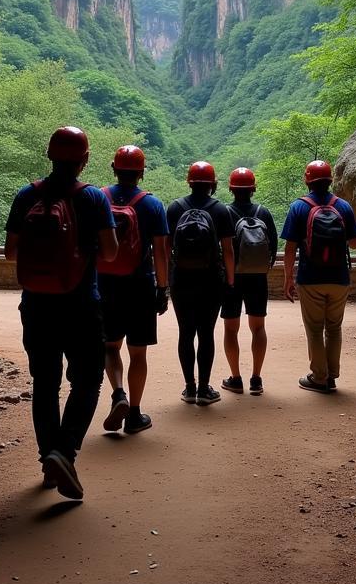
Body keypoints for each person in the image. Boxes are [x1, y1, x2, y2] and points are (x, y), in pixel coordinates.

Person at [4, 126, 117, 500]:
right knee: (88, 380)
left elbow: (10, 252)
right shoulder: (93, 199)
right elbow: (112, 253)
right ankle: (64, 451)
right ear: (84, 159)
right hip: (82, 303)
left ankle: (48, 464)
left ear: (49, 156)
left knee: (45, 383)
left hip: (36, 304)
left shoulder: (27, 195)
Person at [98, 144, 170, 435]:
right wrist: (162, 288)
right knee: (138, 354)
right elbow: (161, 252)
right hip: (140, 285)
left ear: (114, 169)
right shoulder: (151, 205)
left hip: (105, 284)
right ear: (141, 172)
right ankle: (135, 415)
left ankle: (118, 394)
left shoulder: (98, 198)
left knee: (110, 347)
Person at [281, 160, 356, 394]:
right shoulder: (343, 206)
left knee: (315, 329)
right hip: (339, 277)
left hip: (310, 277)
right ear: (330, 181)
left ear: (307, 181)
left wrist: (288, 278)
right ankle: (332, 376)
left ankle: (319, 377)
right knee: (334, 328)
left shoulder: (299, 207)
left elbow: (289, 248)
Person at [166, 162, 235, 406]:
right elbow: (227, 250)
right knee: (206, 333)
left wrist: (164, 282)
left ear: (189, 182)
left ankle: (189, 388)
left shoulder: (174, 208)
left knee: (186, 333)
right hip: (211, 280)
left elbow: (165, 249)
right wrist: (230, 280)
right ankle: (205, 390)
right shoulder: (220, 211)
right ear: (213, 184)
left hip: (181, 280)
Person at [220, 167, 278, 396]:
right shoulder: (263, 213)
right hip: (257, 279)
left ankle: (235, 378)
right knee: (258, 328)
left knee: (231, 329)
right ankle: (256, 379)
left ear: (231, 188)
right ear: (253, 188)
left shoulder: (224, 213)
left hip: (232, 279)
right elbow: (273, 247)